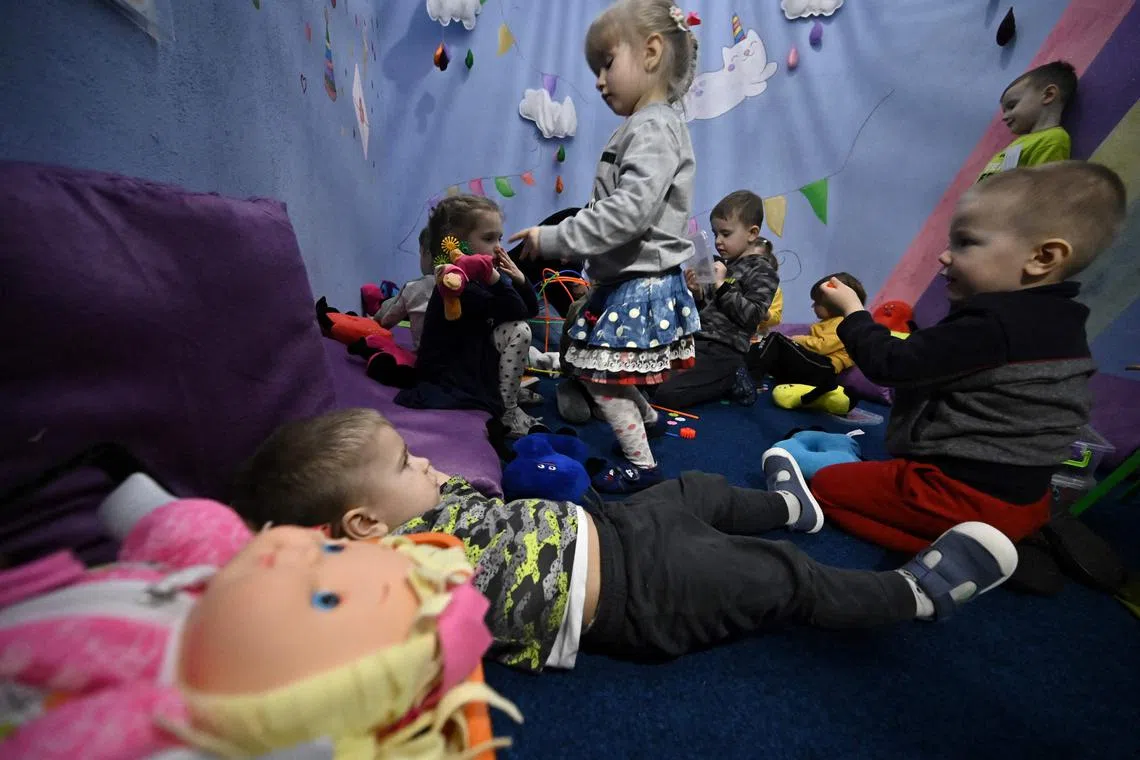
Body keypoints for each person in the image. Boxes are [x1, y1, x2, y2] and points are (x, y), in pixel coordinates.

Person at [231, 407, 1022, 673]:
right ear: (367, 527)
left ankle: (792, 509)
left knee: (694, 489)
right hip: (634, 599)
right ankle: (913, 596)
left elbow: (482, 495)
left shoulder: (428, 508)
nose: (428, 460)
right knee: (772, 578)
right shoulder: (394, 578)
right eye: (408, 463)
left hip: (612, 527)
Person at [808, 161, 1127, 553]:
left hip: (962, 496)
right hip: (1028, 502)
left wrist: (854, 312)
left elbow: (892, 364)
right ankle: (1007, 544)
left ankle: (970, 552)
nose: (944, 256)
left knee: (825, 488)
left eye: (965, 243)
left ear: (1042, 258)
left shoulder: (994, 324)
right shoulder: (1064, 323)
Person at [508, 0, 703, 493]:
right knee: (611, 367)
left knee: (600, 377)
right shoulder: (646, 125)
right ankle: (649, 422)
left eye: (606, 63)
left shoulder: (654, 126)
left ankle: (643, 465)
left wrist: (554, 238)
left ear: (652, 52)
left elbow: (628, 212)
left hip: (642, 284)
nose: (598, 80)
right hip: (628, 280)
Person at [395, 195, 545, 438]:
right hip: (453, 374)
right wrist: (498, 281)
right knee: (519, 331)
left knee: (518, 326)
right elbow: (517, 312)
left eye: (499, 238)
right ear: (458, 246)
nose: (498, 247)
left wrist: (519, 278)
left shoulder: (482, 277)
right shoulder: (457, 283)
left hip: (476, 357)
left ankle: (506, 391)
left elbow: (530, 310)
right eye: (488, 238)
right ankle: (507, 409)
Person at [651, 190, 778, 409]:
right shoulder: (722, 265)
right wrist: (697, 293)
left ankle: (732, 378)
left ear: (752, 233)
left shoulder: (763, 271)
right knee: (647, 377)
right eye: (715, 233)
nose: (718, 241)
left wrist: (720, 286)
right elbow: (708, 312)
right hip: (696, 342)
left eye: (726, 234)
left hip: (724, 352)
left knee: (666, 394)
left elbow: (753, 316)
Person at [745, 272, 864, 404]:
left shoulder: (843, 322)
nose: (813, 306)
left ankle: (750, 379)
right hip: (815, 365)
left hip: (825, 368)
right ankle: (741, 369)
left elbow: (822, 346)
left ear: (834, 304)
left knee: (776, 339)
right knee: (765, 347)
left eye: (817, 303)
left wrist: (796, 339)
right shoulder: (828, 322)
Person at [977, 61, 1077, 183]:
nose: (1004, 117)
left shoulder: (1052, 139)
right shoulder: (1020, 143)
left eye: (1012, 106)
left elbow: (1040, 190)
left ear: (1048, 95)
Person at [375, 226, 435, 350]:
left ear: (427, 253)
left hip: (428, 361)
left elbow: (384, 319)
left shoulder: (414, 288)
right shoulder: (468, 285)